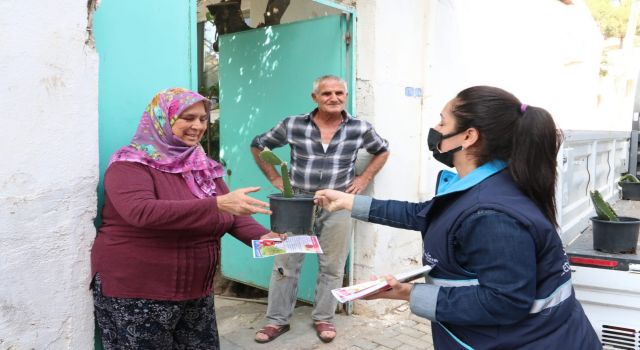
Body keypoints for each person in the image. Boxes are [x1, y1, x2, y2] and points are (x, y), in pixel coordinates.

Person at [314, 86, 600, 349]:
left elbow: (505, 302)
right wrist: (349, 201)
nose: (436, 130)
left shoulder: (493, 215)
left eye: (442, 122)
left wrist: (406, 294)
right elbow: (423, 214)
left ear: (469, 136)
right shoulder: (488, 183)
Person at [91, 88, 284, 350]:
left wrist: (267, 240)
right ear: (162, 120)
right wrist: (216, 203)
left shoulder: (201, 165)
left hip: (196, 291)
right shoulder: (130, 163)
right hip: (139, 290)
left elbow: (232, 215)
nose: (198, 126)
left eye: (203, 119)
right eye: (188, 118)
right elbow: (141, 212)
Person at [251, 75, 390, 343]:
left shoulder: (359, 128)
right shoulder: (293, 124)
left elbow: (383, 150)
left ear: (346, 96)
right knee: (285, 263)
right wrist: (274, 178)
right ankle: (276, 321)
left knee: (332, 266)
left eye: (339, 93)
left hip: (337, 203)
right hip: (297, 204)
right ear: (314, 97)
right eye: (326, 93)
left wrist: (364, 178)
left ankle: (324, 318)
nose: (334, 98)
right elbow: (258, 144)